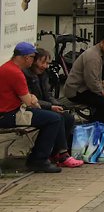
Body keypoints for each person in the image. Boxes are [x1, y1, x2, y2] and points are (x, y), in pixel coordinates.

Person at [1, 43, 78, 172]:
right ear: (27, 57)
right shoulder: (15, 72)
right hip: (8, 114)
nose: (32, 61)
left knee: (56, 117)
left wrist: (32, 98)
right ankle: (39, 159)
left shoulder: (7, 68)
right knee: (53, 119)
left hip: (10, 111)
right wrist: (33, 98)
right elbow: (29, 101)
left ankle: (53, 154)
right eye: (32, 57)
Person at [23, 48, 82, 167]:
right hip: (31, 107)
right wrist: (51, 107)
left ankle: (56, 152)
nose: (45, 66)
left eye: (47, 63)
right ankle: (62, 154)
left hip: (42, 105)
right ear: (34, 61)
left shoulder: (43, 75)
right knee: (56, 118)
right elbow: (29, 99)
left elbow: (48, 94)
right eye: (43, 62)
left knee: (68, 118)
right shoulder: (26, 75)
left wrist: (56, 104)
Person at [63, 33, 104, 124]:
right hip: (76, 91)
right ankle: (93, 128)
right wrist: (103, 93)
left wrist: (102, 83)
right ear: (102, 43)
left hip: (84, 88)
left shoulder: (100, 53)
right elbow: (91, 82)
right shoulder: (93, 56)